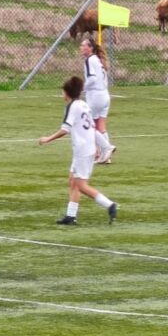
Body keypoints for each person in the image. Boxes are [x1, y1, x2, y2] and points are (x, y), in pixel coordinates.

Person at [38, 76, 118, 225]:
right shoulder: (83, 104)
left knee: (81, 185)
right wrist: (105, 145)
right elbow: (93, 129)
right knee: (72, 181)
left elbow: (65, 129)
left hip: (83, 150)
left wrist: (47, 139)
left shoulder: (72, 107)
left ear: (66, 92)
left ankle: (110, 205)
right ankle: (71, 216)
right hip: (85, 149)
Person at [79, 37, 116, 164]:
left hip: (95, 96)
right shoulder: (98, 60)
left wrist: (81, 89)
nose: (81, 48)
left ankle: (106, 147)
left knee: (88, 126)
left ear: (90, 48)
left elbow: (92, 79)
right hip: (105, 96)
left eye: (84, 45)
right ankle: (105, 156)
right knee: (100, 126)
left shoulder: (89, 60)